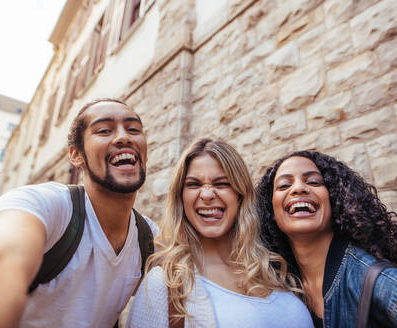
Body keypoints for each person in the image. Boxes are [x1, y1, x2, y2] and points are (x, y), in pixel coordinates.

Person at [0, 99, 158, 328]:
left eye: (134, 129)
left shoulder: (148, 238)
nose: (124, 137)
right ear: (76, 155)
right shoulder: (43, 205)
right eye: (104, 130)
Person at [127, 138, 313, 328]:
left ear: (240, 195)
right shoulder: (164, 284)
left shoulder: (273, 267)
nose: (207, 195)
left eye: (221, 183)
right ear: (181, 199)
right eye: (194, 184)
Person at [256, 150, 397, 328]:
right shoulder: (278, 287)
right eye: (284, 185)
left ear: (336, 199)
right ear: (270, 210)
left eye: (314, 182)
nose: (298, 188)